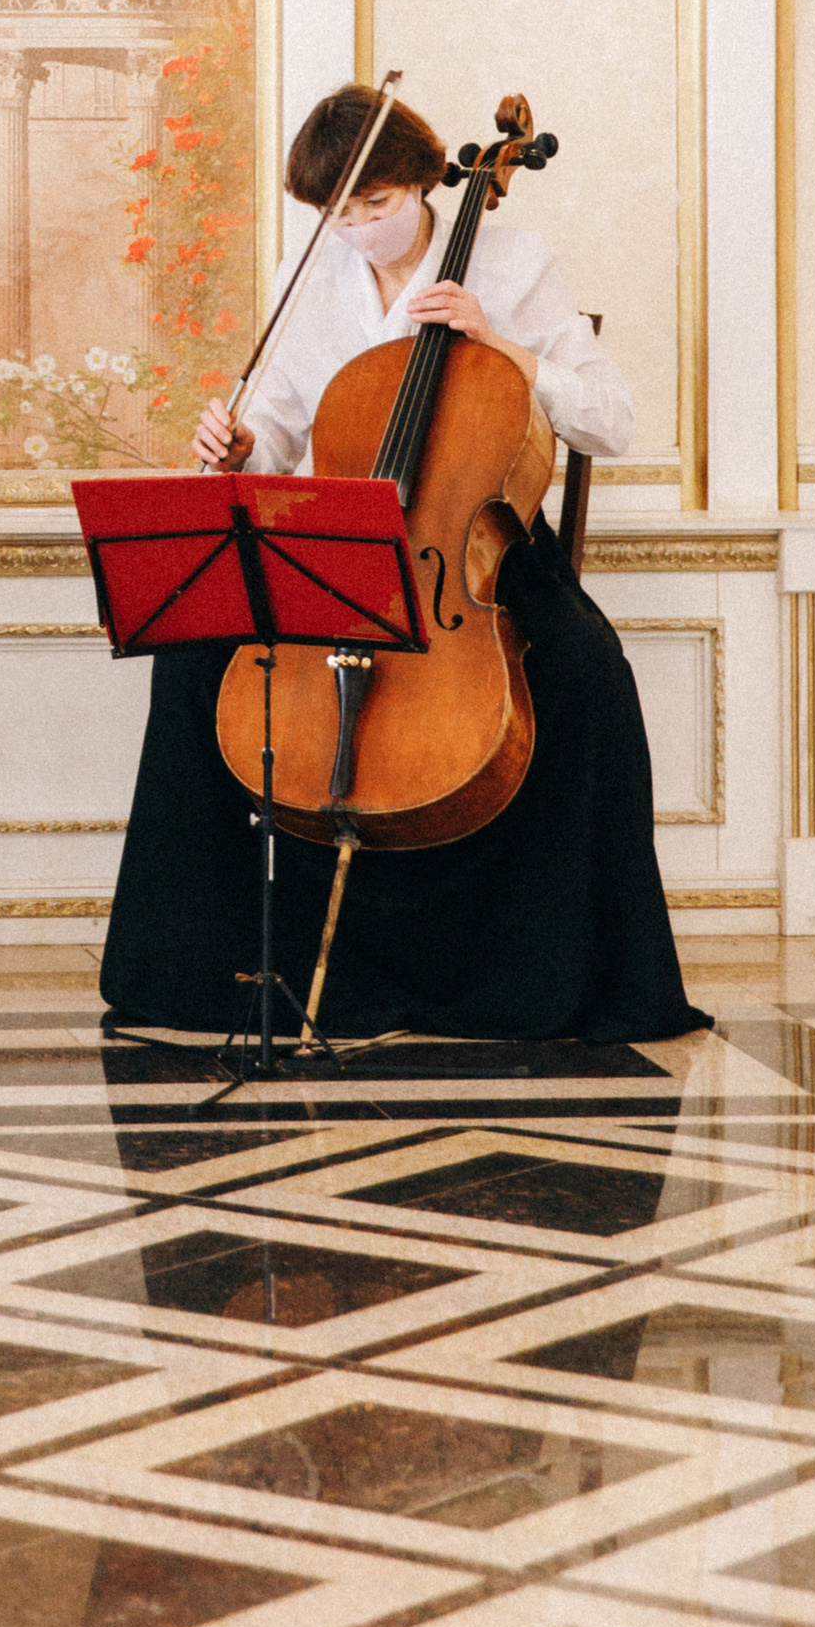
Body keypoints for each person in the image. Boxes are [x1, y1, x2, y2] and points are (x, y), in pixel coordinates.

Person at [100, 81, 706, 1049]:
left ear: (423, 183)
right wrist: (237, 445)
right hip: (346, 536)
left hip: (476, 548)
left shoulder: (509, 264)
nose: (355, 230)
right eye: (335, 214)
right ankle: (192, 963)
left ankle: (555, 974)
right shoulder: (316, 285)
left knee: (587, 672)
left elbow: (612, 418)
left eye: (374, 207)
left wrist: (498, 343)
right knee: (192, 649)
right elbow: (282, 432)